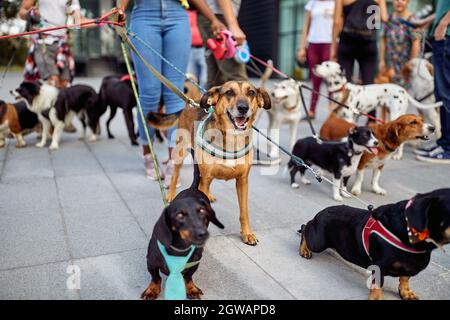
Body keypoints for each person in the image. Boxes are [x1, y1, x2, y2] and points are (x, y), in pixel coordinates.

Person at [118, 0, 224, 185]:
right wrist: (120, 8)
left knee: (175, 94)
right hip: (144, 15)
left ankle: (173, 162)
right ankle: (147, 154)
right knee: (149, 94)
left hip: (177, 16)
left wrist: (213, 19)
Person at [19, 0, 90, 133]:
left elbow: (78, 21)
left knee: (65, 84)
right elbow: (22, 12)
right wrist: (30, 14)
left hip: (61, 44)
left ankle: (60, 117)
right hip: (43, 42)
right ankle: (46, 123)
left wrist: (103, 21)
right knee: (53, 83)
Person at [331, 0, 387, 121]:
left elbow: (336, 21)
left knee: (344, 83)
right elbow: (384, 18)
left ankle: (342, 119)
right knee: (369, 84)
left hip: (347, 41)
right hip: (368, 41)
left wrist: (333, 47)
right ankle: (371, 120)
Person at [416, 0, 450, 164]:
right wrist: (428, 21)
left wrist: (443, 24)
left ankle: (448, 148)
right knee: (442, 95)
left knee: (446, 94)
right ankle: (444, 144)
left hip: (446, 36)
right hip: (444, 34)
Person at [297, 0, 335, 120]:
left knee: (330, 79)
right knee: (315, 79)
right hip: (313, 43)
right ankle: (312, 111)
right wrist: (302, 47)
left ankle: (332, 111)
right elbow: (306, 26)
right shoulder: (312, 3)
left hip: (329, 43)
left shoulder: (335, 3)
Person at [198, 0, 247, 88]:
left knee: (215, 80)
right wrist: (233, 25)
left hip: (208, 17)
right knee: (238, 82)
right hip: (220, 17)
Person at [379, 0, 420, 88]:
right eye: (396, 0)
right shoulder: (388, 19)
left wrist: (411, 65)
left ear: (408, 2)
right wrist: (381, 60)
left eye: (403, 0)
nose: (399, 2)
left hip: (406, 66)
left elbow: (416, 43)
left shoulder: (412, 20)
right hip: (391, 65)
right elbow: (383, 39)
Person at [187, 9, 207, 88]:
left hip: (203, 49)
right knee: (191, 77)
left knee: (204, 79)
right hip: (190, 49)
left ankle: (202, 97)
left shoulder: (202, 13)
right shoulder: (184, 13)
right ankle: (194, 98)